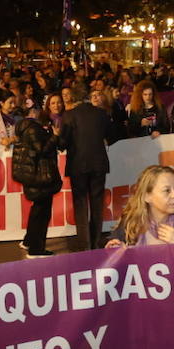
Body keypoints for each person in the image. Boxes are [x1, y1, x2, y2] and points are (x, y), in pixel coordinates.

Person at [60, 84, 111, 249]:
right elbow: (113, 135)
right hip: (98, 164)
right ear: (88, 97)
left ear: (74, 98)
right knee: (97, 204)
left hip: (77, 165)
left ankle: (84, 244)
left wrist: (55, 136)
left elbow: (62, 144)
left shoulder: (69, 116)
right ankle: (96, 242)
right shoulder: (101, 114)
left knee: (81, 205)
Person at [8, 114, 61, 258]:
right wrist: (54, 136)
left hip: (33, 178)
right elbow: (41, 149)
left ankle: (28, 241)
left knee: (37, 211)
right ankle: (36, 249)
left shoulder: (24, 129)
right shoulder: (34, 129)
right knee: (42, 214)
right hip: (41, 179)